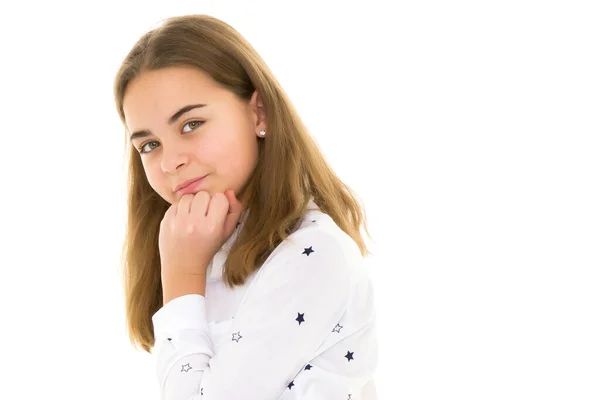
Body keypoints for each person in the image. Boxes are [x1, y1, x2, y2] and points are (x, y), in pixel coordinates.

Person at [113, 14, 378, 400]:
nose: (170, 162)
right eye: (149, 145)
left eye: (191, 124)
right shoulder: (204, 247)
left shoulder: (312, 254)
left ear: (259, 113)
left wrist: (181, 274)